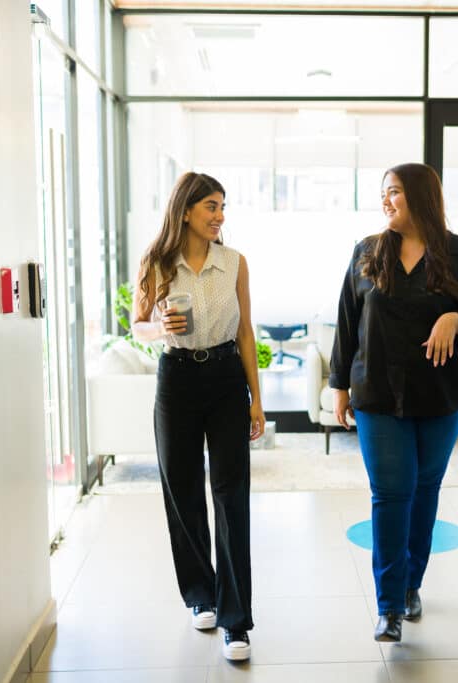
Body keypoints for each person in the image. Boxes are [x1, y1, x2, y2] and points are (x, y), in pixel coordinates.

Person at [329, 163, 458, 643]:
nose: (386, 201)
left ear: (422, 197)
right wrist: (338, 385)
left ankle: (410, 586)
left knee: (425, 490)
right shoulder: (367, 252)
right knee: (390, 492)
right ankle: (388, 606)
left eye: (395, 193)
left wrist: (457, 320)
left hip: (442, 397)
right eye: (383, 193)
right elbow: (347, 320)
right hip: (378, 395)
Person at [131, 172, 264, 661]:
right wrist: (156, 325)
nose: (219, 215)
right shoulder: (156, 261)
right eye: (211, 205)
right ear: (186, 209)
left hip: (227, 376)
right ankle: (201, 596)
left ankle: (236, 620)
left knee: (231, 495)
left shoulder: (234, 263)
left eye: (223, 206)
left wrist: (255, 397)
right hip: (177, 379)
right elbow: (137, 327)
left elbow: (246, 331)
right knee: (182, 490)